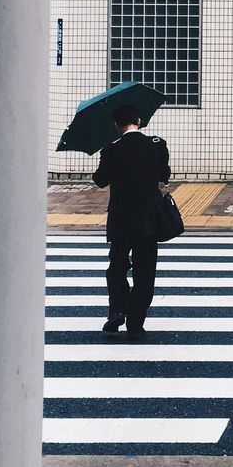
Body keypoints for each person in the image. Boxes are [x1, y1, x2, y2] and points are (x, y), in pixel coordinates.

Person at [91, 104, 171, 340]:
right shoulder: (157, 146)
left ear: (116, 125)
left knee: (117, 266)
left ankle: (117, 309)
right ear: (138, 120)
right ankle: (135, 322)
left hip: (120, 221)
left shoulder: (112, 150)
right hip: (149, 221)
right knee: (145, 272)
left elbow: (100, 181)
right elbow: (164, 175)